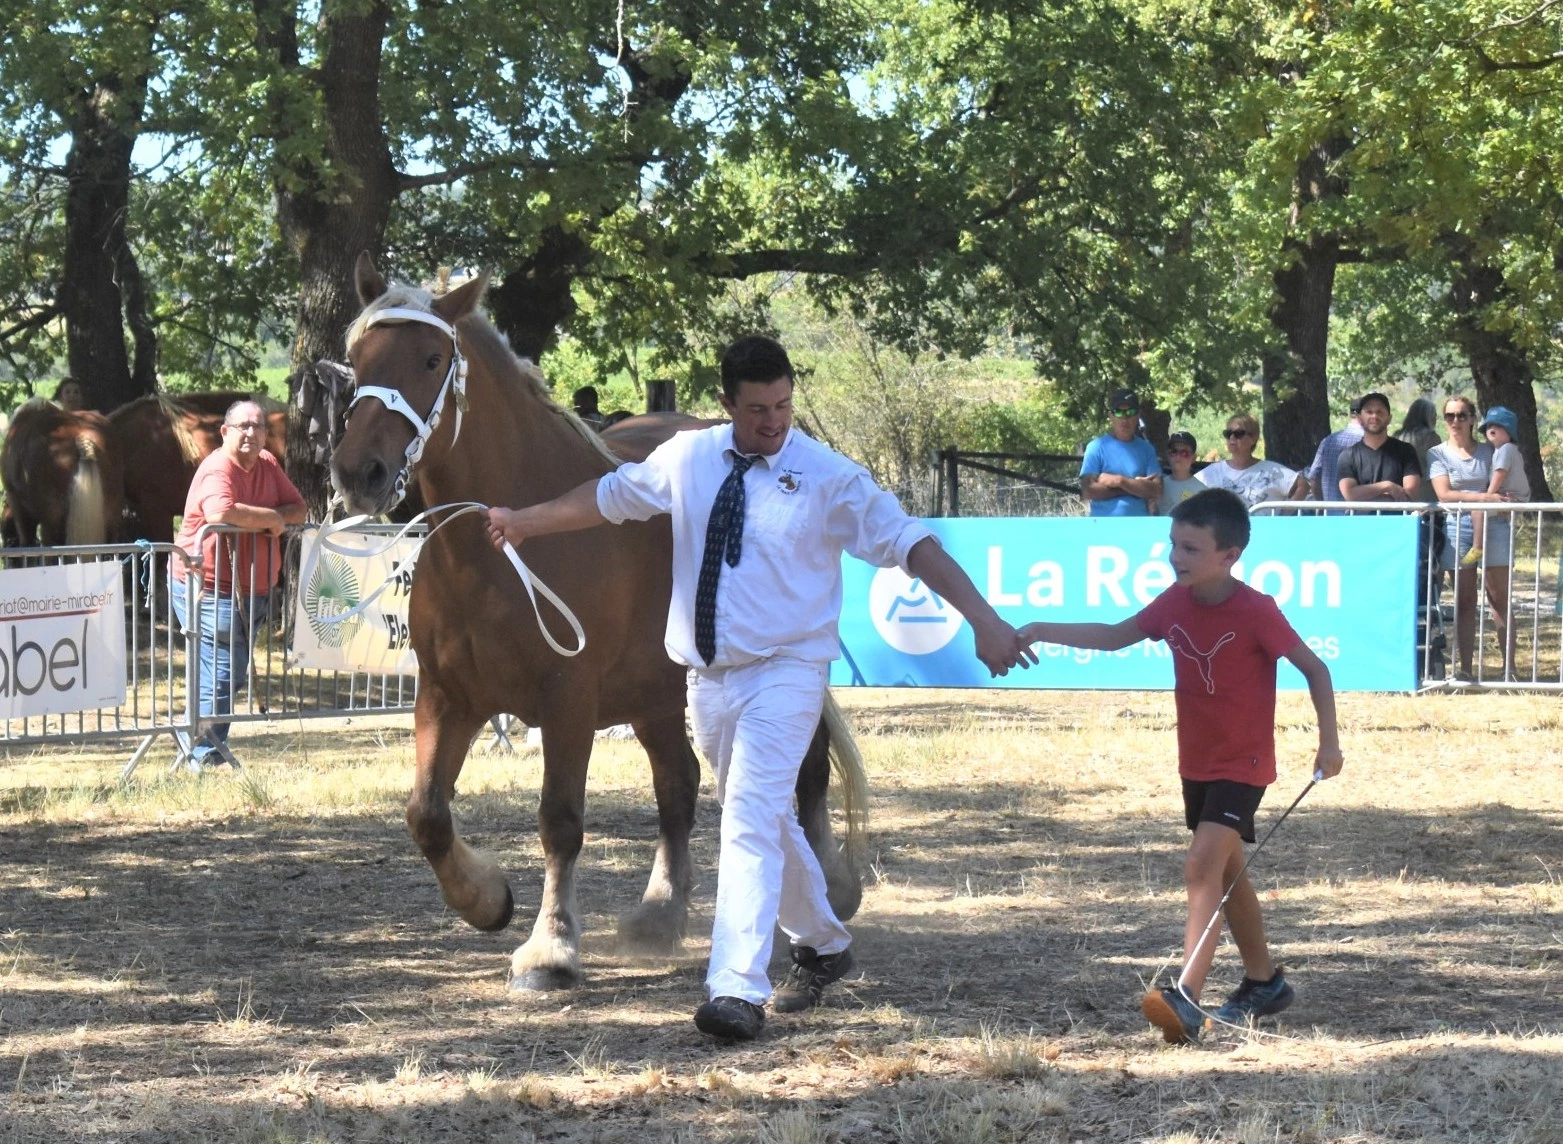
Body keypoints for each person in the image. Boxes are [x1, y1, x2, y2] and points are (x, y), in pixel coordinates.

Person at [486, 335, 1035, 1041]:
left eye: (782, 405)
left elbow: (910, 542)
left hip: (788, 671)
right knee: (766, 818)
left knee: (745, 815)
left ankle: (735, 989)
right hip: (708, 680)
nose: (772, 421)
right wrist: (524, 522)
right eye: (756, 410)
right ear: (726, 404)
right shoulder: (688, 457)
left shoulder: (827, 475)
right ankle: (826, 947)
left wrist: (984, 621)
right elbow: (611, 497)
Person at [1017, 488, 1342, 1043]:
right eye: (1173, 545)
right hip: (1196, 761)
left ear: (1229, 555)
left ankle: (1187, 995)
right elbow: (1117, 635)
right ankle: (1264, 983)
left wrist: (1328, 743)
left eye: (1191, 548)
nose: (1177, 557)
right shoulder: (1173, 602)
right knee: (1225, 871)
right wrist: (1039, 629)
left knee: (1200, 865)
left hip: (1245, 763)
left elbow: (1315, 670)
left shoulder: (1257, 610)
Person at [171, 400, 307, 770]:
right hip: (209, 586)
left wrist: (276, 518)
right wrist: (272, 519)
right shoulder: (216, 468)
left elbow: (299, 508)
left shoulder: (268, 465)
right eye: (243, 426)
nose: (251, 432)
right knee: (222, 672)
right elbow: (221, 513)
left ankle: (196, 748)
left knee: (223, 671)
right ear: (226, 432)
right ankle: (203, 754)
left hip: (254, 589)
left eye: (258, 426)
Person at [1428, 396, 1513, 681]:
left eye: (1462, 415)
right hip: (1457, 529)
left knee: (1498, 598)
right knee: (1464, 601)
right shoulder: (1437, 453)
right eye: (1450, 416)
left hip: (1496, 527)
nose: (1456, 421)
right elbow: (1443, 494)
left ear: (1473, 419)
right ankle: (1465, 669)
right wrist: (1482, 497)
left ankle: (1509, 669)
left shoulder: (1491, 452)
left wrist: (1499, 499)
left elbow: (1508, 481)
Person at [1461, 406, 1529, 570]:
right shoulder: (1501, 450)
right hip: (1510, 496)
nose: (1492, 429)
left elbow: (1500, 473)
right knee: (1480, 509)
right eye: (1489, 426)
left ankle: (1477, 547)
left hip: (1514, 497)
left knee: (1478, 509)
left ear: (1509, 431)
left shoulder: (1505, 449)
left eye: (1499, 426)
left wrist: (1488, 496)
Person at [1079, 387, 1162, 516]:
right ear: (1110, 416)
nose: (1125, 418)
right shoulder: (1096, 447)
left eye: (1130, 412)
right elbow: (1088, 491)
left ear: (1138, 415)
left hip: (1140, 526)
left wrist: (1120, 481)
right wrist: (1135, 486)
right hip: (1103, 527)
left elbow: (1157, 490)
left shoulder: (1147, 449)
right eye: (1118, 412)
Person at [1197, 414, 1307, 508]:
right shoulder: (1212, 472)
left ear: (1253, 438)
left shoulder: (1272, 470)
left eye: (1238, 433)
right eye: (1228, 433)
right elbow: (1185, 491)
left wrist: (1283, 515)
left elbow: (1303, 486)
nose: (1232, 438)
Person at [1336, 393, 1422, 503]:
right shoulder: (1348, 456)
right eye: (1369, 412)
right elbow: (1350, 494)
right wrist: (1388, 486)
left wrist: (1364, 499)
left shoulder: (1406, 451)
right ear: (1360, 418)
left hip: (1397, 520)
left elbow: (1410, 494)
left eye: (1380, 412)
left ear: (1389, 418)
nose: (1374, 416)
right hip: (1360, 520)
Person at [1306, 397, 1364, 501]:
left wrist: (1321, 504)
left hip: (1331, 513)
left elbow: (1314, 477)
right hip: (1362, 514)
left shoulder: (1328, 441)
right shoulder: (1370, 442)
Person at [1396, 398, 1443, 503]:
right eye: (1433, 415)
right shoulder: (1431, 437)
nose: (1435, 418)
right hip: (1427, 497)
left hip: (1401, 497)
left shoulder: (1397, 436)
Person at [1156, 431, 1203, 514]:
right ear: (1168, 455)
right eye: (1174, 452)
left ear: (1193, 458)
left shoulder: (1202, 491)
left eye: (1184, 453)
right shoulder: (1157, 486)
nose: (1178, 456)